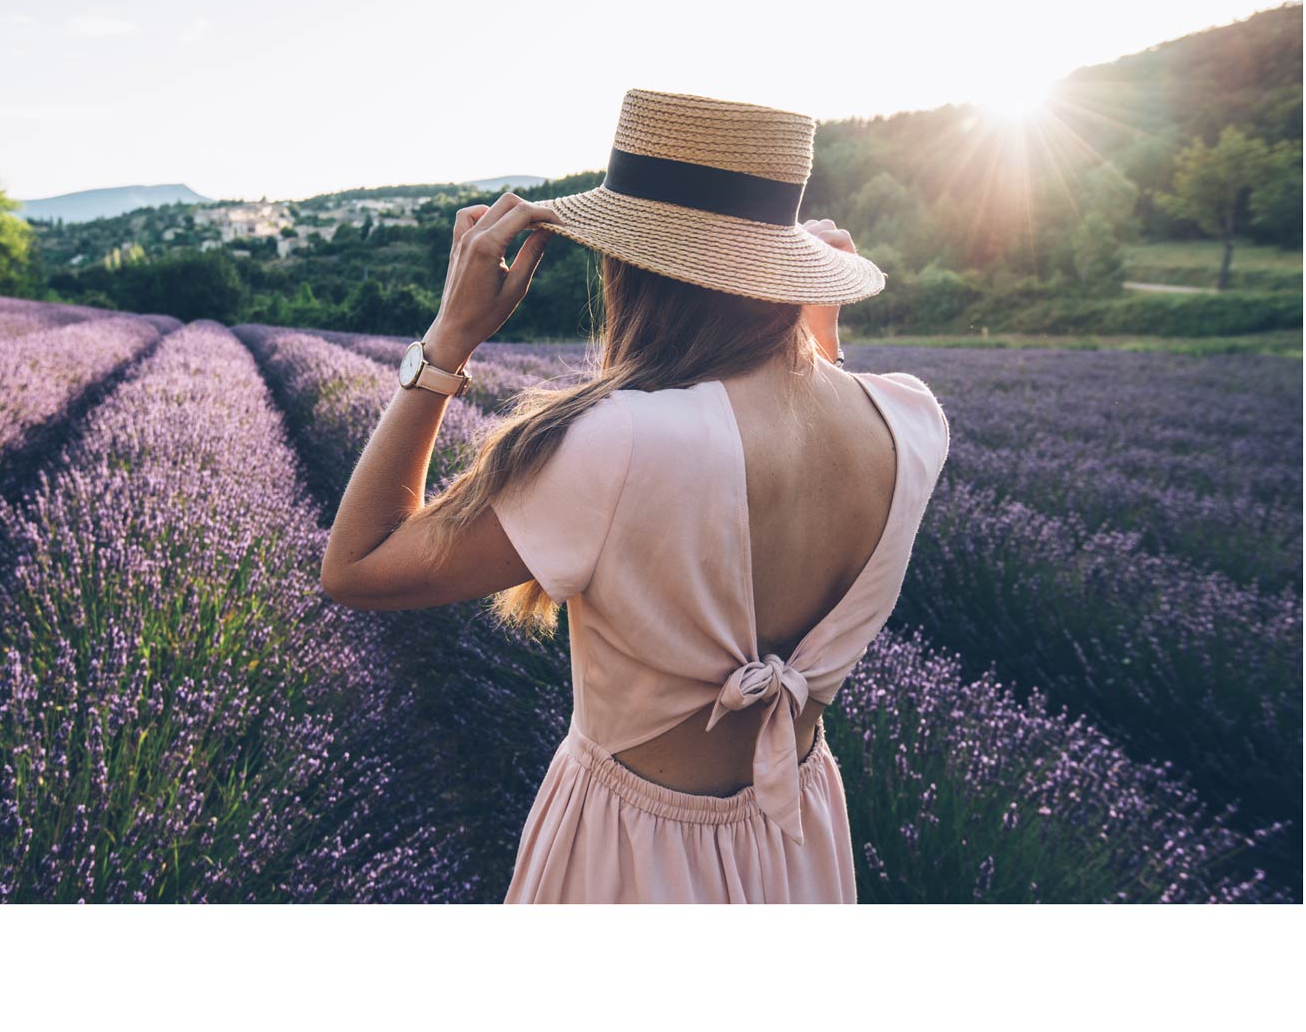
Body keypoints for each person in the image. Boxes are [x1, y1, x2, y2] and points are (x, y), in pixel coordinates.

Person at [319, 89, 951, 903]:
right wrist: (812, 329)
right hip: (799, 840)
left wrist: (448, 340)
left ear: (631, 261)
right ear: (781, 263)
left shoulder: (619, 445)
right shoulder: (911, 421)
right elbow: (808, 414)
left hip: (634, 857)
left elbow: (358, 565)